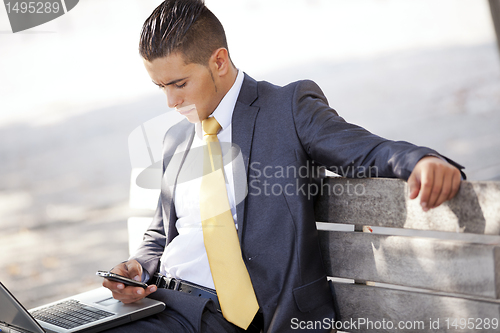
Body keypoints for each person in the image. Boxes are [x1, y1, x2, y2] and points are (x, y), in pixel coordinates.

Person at [102, 1, 464, 332]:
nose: (171, 100)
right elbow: (160, 236)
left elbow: (363, 150)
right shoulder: (177, 141)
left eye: (179, 83)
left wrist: (421, 160)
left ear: (219, 61)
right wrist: (137, 268)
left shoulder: (286, 109)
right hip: (164, 304)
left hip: (238, 317)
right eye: (160, 86)